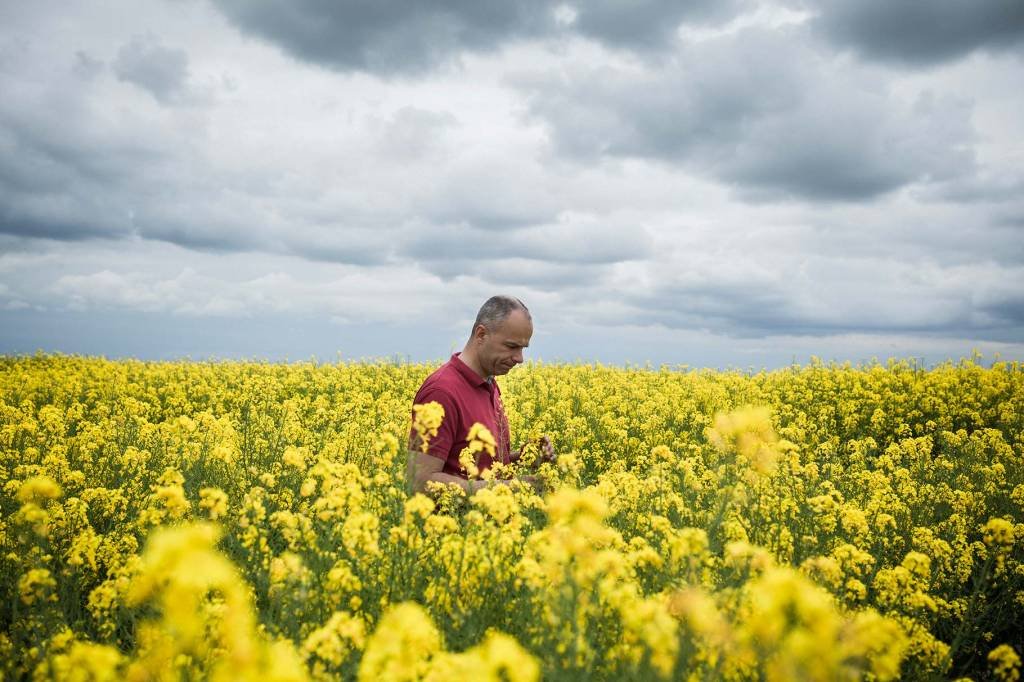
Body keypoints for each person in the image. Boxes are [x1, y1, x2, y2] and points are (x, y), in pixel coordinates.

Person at [408, 295, 554, 495]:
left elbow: (479, 467)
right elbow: (420, 482)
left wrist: (522, 457)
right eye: (512, 346)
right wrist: (509, 488)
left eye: (523, 348)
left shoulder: (489, 383)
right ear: (481, 334)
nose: (520, 358)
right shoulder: (441, 393)